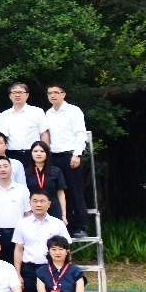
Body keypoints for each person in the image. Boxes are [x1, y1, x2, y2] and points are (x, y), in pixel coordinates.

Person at [14, 191, 71, 292]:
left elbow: (66, 249)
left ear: (49, 204)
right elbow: (19, 250)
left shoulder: (57, 224)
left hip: (53, 270)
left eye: (42, 201)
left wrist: (66, 272)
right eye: (35, 201)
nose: (38, 204)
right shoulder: (22, 224)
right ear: (30, 203)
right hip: (30, 270)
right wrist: (18, 274)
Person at [44, 84, 89, 237]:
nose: (53, 95)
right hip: (53, 157)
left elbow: (81, 134)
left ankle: (81, 226)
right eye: (50, 93)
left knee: (75, 191)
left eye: (56, 92)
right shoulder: (48, 114)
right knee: (60, 192)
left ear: (63, 94)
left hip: (70, 155)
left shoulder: (73, 111)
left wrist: (77, 154)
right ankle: (66, 226)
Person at [26, 141, 68, 223]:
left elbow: (60, 193)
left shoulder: (56, 171)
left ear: (47, 154)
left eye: (42, 151)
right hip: (34, 208)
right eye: (35, 151)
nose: (38, 154)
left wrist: (64, 215)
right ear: (31, 153)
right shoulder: (26, 172)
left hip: (53, 208)